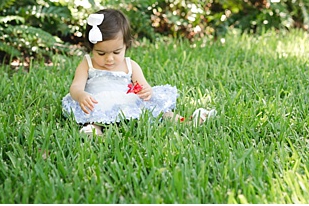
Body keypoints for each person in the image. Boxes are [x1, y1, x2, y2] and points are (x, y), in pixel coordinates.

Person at [62, 8, 215, 135]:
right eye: (101, 53)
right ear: (91, 48)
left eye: (116, 52)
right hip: (98, 102)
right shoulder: (87, 63)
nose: (109, 59)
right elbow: (75, 87)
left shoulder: (130, 65)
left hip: (127, 102)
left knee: (159, 111)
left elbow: (143, 87)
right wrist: (81, 95)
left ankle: (186, 122)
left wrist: (146, 91)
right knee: (93, 115)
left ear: (126, 46)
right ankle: (94, 130)